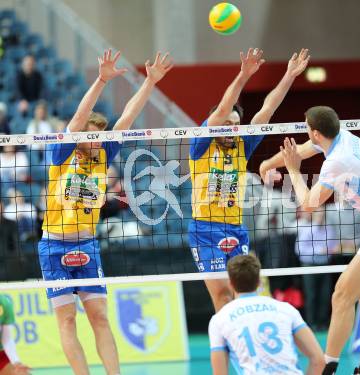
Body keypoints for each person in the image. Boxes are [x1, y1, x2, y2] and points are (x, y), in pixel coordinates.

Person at [37, 49, 173, 375]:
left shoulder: (103, 154)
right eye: (92, 136)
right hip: (54, 245)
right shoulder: (63, 152)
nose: (98, 141)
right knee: (67, 320)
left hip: (87, 245)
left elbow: (126, 117)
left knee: (100, 316)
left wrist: (150, 83)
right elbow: (77, 118)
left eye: (101, 136)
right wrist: (101, 79)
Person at [274, 106, 360, 375]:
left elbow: (309, 204)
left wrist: (293, 170)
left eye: (307, 129)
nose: (307, 134)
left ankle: (326, 368)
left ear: (316, 132)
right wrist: (269, 164)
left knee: (341, 296)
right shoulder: (345, 137)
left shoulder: (336, 161)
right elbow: (306, 147)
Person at [189, 48, 310, 312]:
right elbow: (222, 109)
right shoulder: (200, 146)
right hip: (205, 231)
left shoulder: (241, 146)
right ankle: (225, 346)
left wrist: (289, 75)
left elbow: (267, 110)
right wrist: (243, 75)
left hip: (235, 228)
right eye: (227, 123)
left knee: (246, 296)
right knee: (222, 297)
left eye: (237, 123)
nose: (232, 127)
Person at [208, 254, 325, 375]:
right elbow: (319, 360)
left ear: (231, 283)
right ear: (259, 281)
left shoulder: (219, 319)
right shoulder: (286, 309)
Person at [295, 207, 338, 330]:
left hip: (325, 266)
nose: (321, 216)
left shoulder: (329, 229)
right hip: (309, 266)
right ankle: (311, 324)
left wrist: (331, 250)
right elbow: (299, 250)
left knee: (325, 295)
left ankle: (323, 323)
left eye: (322, 213)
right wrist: (320, 251)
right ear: (313, 215)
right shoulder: (306, 229)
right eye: (318, 214)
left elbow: (333, 245)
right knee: (311, 295)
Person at [0, 294, 30, 375]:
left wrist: (16, 362)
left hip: (1, 355)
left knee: (21, 373)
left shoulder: (4, 302)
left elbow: (7, 339)